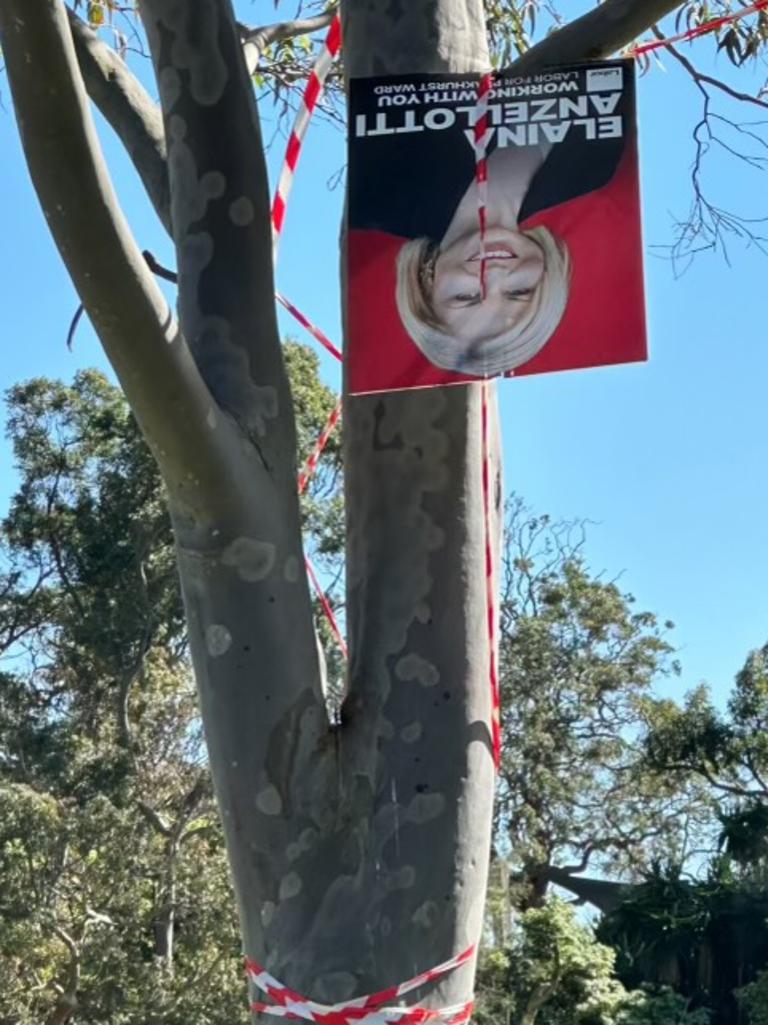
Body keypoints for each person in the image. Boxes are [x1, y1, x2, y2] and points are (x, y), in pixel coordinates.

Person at [395, 142, 570, 377]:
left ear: (425, 283)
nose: (494, 273)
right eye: (518, 291)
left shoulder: (387, 191)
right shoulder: (597, 169)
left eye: (467, 296)